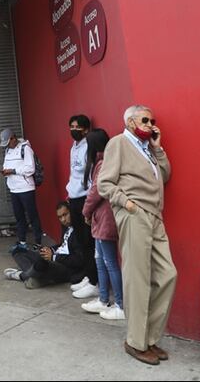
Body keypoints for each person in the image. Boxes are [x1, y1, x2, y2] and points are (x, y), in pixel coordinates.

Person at [98, 105, 175, 366]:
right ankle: (135, 341)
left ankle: (149, 337)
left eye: (152, 120)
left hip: (155, 216)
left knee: (167, 275)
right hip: (135, 214)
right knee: (138, 278)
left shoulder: (147, 149)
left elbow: (164, 176)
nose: (151, 124)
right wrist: (127, 204)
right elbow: (104, 183)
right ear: (131, 122)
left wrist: (158, 148)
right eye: (145, 119)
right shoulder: (118, 143)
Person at [81, 129, 123, 320]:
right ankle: (104, 299)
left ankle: (121, 305)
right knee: (100, 261)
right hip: (100, 219)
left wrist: (86, 211)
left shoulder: (103, 162)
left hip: (105, 218)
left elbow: (97, 191)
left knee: (110, 262)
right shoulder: (103, 161)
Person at [3, 201, 87, 288]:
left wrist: (53, 257)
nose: (63, 220)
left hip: (65, 266)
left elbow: (79, 260)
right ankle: (36, 276)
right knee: (18, 251)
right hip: (55, 257)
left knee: (41, 263)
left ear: (71, 212)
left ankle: (22, 276)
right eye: (60, 217)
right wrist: (51, 250)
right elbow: (63, 245)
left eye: (65, 215)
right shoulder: (66, 226)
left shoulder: (80, 231)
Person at [65, 114, 98, 300]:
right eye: (71, 126)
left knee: (89, 241)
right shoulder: (74, 147)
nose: (73, 130)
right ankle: (89, 276)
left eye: (77, 127)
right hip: (74, 197)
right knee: (80, 240)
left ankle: (95, 282)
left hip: (85, 198)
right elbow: (73, 173)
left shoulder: (89, 147)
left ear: (86, 129)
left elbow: (91, 175)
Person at [0, 128, 43, 253]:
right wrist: (5, 171)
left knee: (32, 215)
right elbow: (6, 165)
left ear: (13, 138)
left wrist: (13, 171)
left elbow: (30, 169)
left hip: (26, 188)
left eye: (8, 142)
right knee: (19, 217)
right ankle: (22, 242)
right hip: (13, 189)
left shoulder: (26, 149)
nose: (7, 146)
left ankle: (38, 242)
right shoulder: (8, 150)